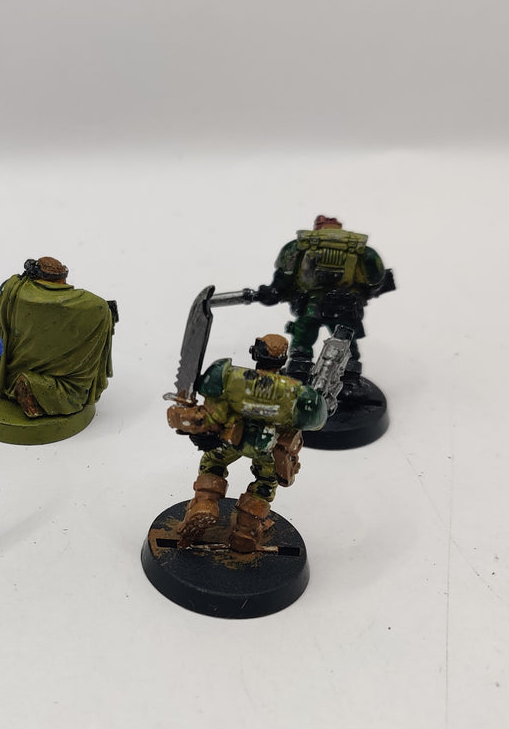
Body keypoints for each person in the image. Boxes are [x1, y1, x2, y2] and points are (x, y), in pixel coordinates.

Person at [167, 335, 328, 552]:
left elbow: (215, 412)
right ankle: (247, 528)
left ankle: (205, 502)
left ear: (256, 354)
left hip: (232, 439)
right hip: (268, 448)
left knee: (213, 464)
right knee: (265, 482)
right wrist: (320, 402)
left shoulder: (229, 377)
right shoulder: (297, 394)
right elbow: (314, 422)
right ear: (283, 360)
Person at [258, 215, 394, 393]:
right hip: (345, 307)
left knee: (302, 342)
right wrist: (362, 294)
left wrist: (272, 293)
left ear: (318, 228)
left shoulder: (299, 245)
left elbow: (282, 279)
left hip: (311, 305)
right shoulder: (361, 251)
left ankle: (297, 376)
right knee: (346, 344)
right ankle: (350, 382)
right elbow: (376, 279)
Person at [0, 257, 114, 418]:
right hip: (69, 378)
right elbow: (100, 307)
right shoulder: (91, 305)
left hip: (17, 369)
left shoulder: (19, 293)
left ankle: (34, 389)